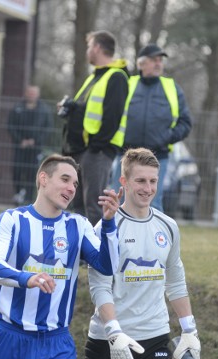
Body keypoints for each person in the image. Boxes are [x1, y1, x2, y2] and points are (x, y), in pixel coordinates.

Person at [0, 154, 122, 359]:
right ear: (43, 179)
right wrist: (25, 278)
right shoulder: (13, 219)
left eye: (75, 184)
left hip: (56, 345)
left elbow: (107, 265)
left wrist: (109, 223)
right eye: (65, 179)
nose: (71, 188)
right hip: (10, 339)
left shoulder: (77, 225)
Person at [84, 148, 200, 359]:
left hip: (155, 340)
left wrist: (189, 330)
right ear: (123, 182)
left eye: (153, 181)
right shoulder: (107, 227)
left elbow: (175, 280)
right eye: (140, 181)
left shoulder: (168, 226)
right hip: (109, 342)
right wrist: (114, 334)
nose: (147, 188)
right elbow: (100, 287)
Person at [110, 44, 192, 212]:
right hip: (126, 156)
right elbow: (112, 114)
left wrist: (166, 138)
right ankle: (115, 237)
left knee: (152, 203)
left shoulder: (172, 88)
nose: (158, 64)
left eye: (160, 60)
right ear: (141, 64)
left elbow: (185, 122)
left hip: (157, 156)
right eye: (153, 60)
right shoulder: (128, 84)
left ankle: (153, 238)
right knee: (118, 199)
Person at [60, 30, 128, 226]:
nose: (88, 51)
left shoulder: (116, 77)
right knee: (78, 204)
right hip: (83, 150)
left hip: (96, 151)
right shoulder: (95, 77)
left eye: (90, 46)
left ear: (97, 48)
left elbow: (112, 116)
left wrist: (96, 146)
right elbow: (87, 108)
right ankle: (81, 254)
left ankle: (97, 254)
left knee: (93, 205)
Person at [7, 85, 53, 204]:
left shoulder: (44, 110)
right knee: (17, 169)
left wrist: (36, 141)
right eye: (30, 93)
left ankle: (28, 198)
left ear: (38, 94)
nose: (32, 95)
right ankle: (18, 193)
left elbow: (47, 128)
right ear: (26, 93)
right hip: (20, 146)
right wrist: (19, 140)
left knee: (32, 172)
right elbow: (10, 125)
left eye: (34, 93)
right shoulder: (17, 108)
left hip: (35, 148)